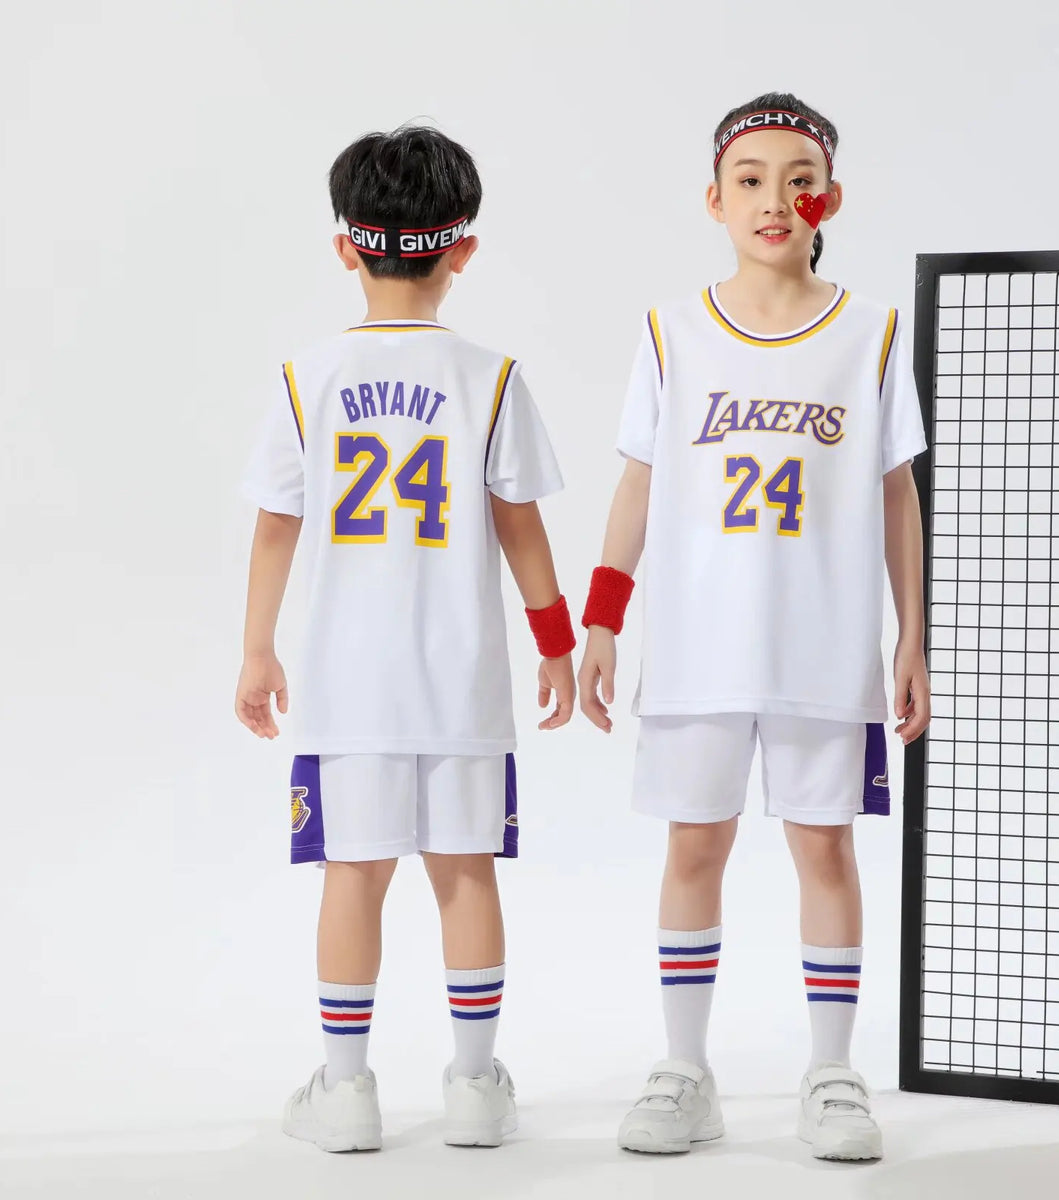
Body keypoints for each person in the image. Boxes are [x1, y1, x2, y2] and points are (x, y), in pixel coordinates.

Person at [577, 92, 930, 1161]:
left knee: (824, 847)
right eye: (750, 179)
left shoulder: (871, 332)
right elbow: (637, 484)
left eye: (798, 178)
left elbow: (896, 494)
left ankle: (832, 1072)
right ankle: (686, 1069)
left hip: (823, 647)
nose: (775, 198)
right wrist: (603, 620)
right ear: (715, 200)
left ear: (830, 198)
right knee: (695, 844)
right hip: (699, 648)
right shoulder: (672, 330)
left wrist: (911, 636)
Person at [235, 125, 576, 1153]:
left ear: (346, 245)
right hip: (461, 682)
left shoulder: (307, 377)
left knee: (354, 873)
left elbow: (276, 525)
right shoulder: (491, 376)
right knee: (465, 872)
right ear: (462, 249)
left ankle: (345, 1092)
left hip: (350, 686)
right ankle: (474, 1088)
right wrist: (556, 641)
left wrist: (257, 650)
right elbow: (521, 523)